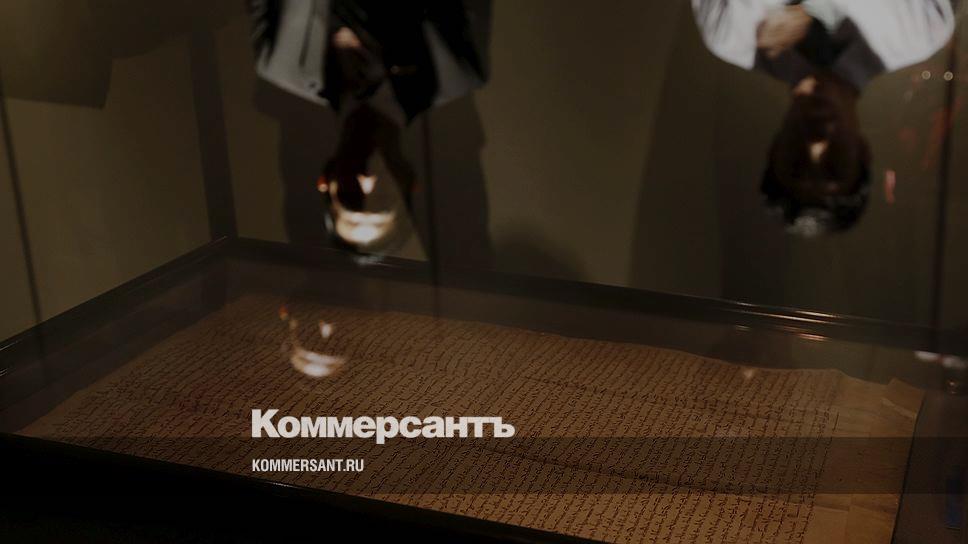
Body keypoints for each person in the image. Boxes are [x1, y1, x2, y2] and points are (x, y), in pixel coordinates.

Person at [692, 0, 954, 236]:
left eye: (796, 162)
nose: (816, 143)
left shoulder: (728, 36)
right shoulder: (923, 32)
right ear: (863, 153)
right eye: (834, 165)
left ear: (775, 149)